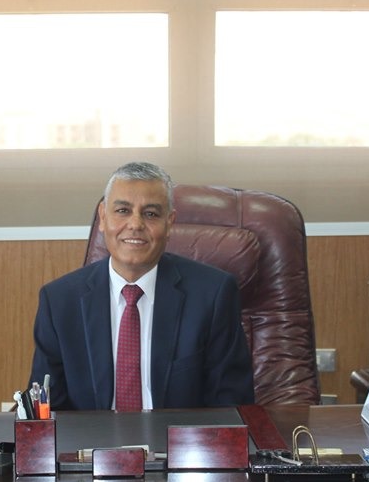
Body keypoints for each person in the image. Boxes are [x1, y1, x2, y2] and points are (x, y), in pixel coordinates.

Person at [28, 162, 255, 410]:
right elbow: (47, 408)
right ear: (103, 217)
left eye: (151, 214)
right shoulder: (59, 301)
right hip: (92, 435)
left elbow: (230, 406)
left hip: (177, 434)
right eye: (123, 210)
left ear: (170, 223)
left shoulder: (212, 295)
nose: (135, 224)